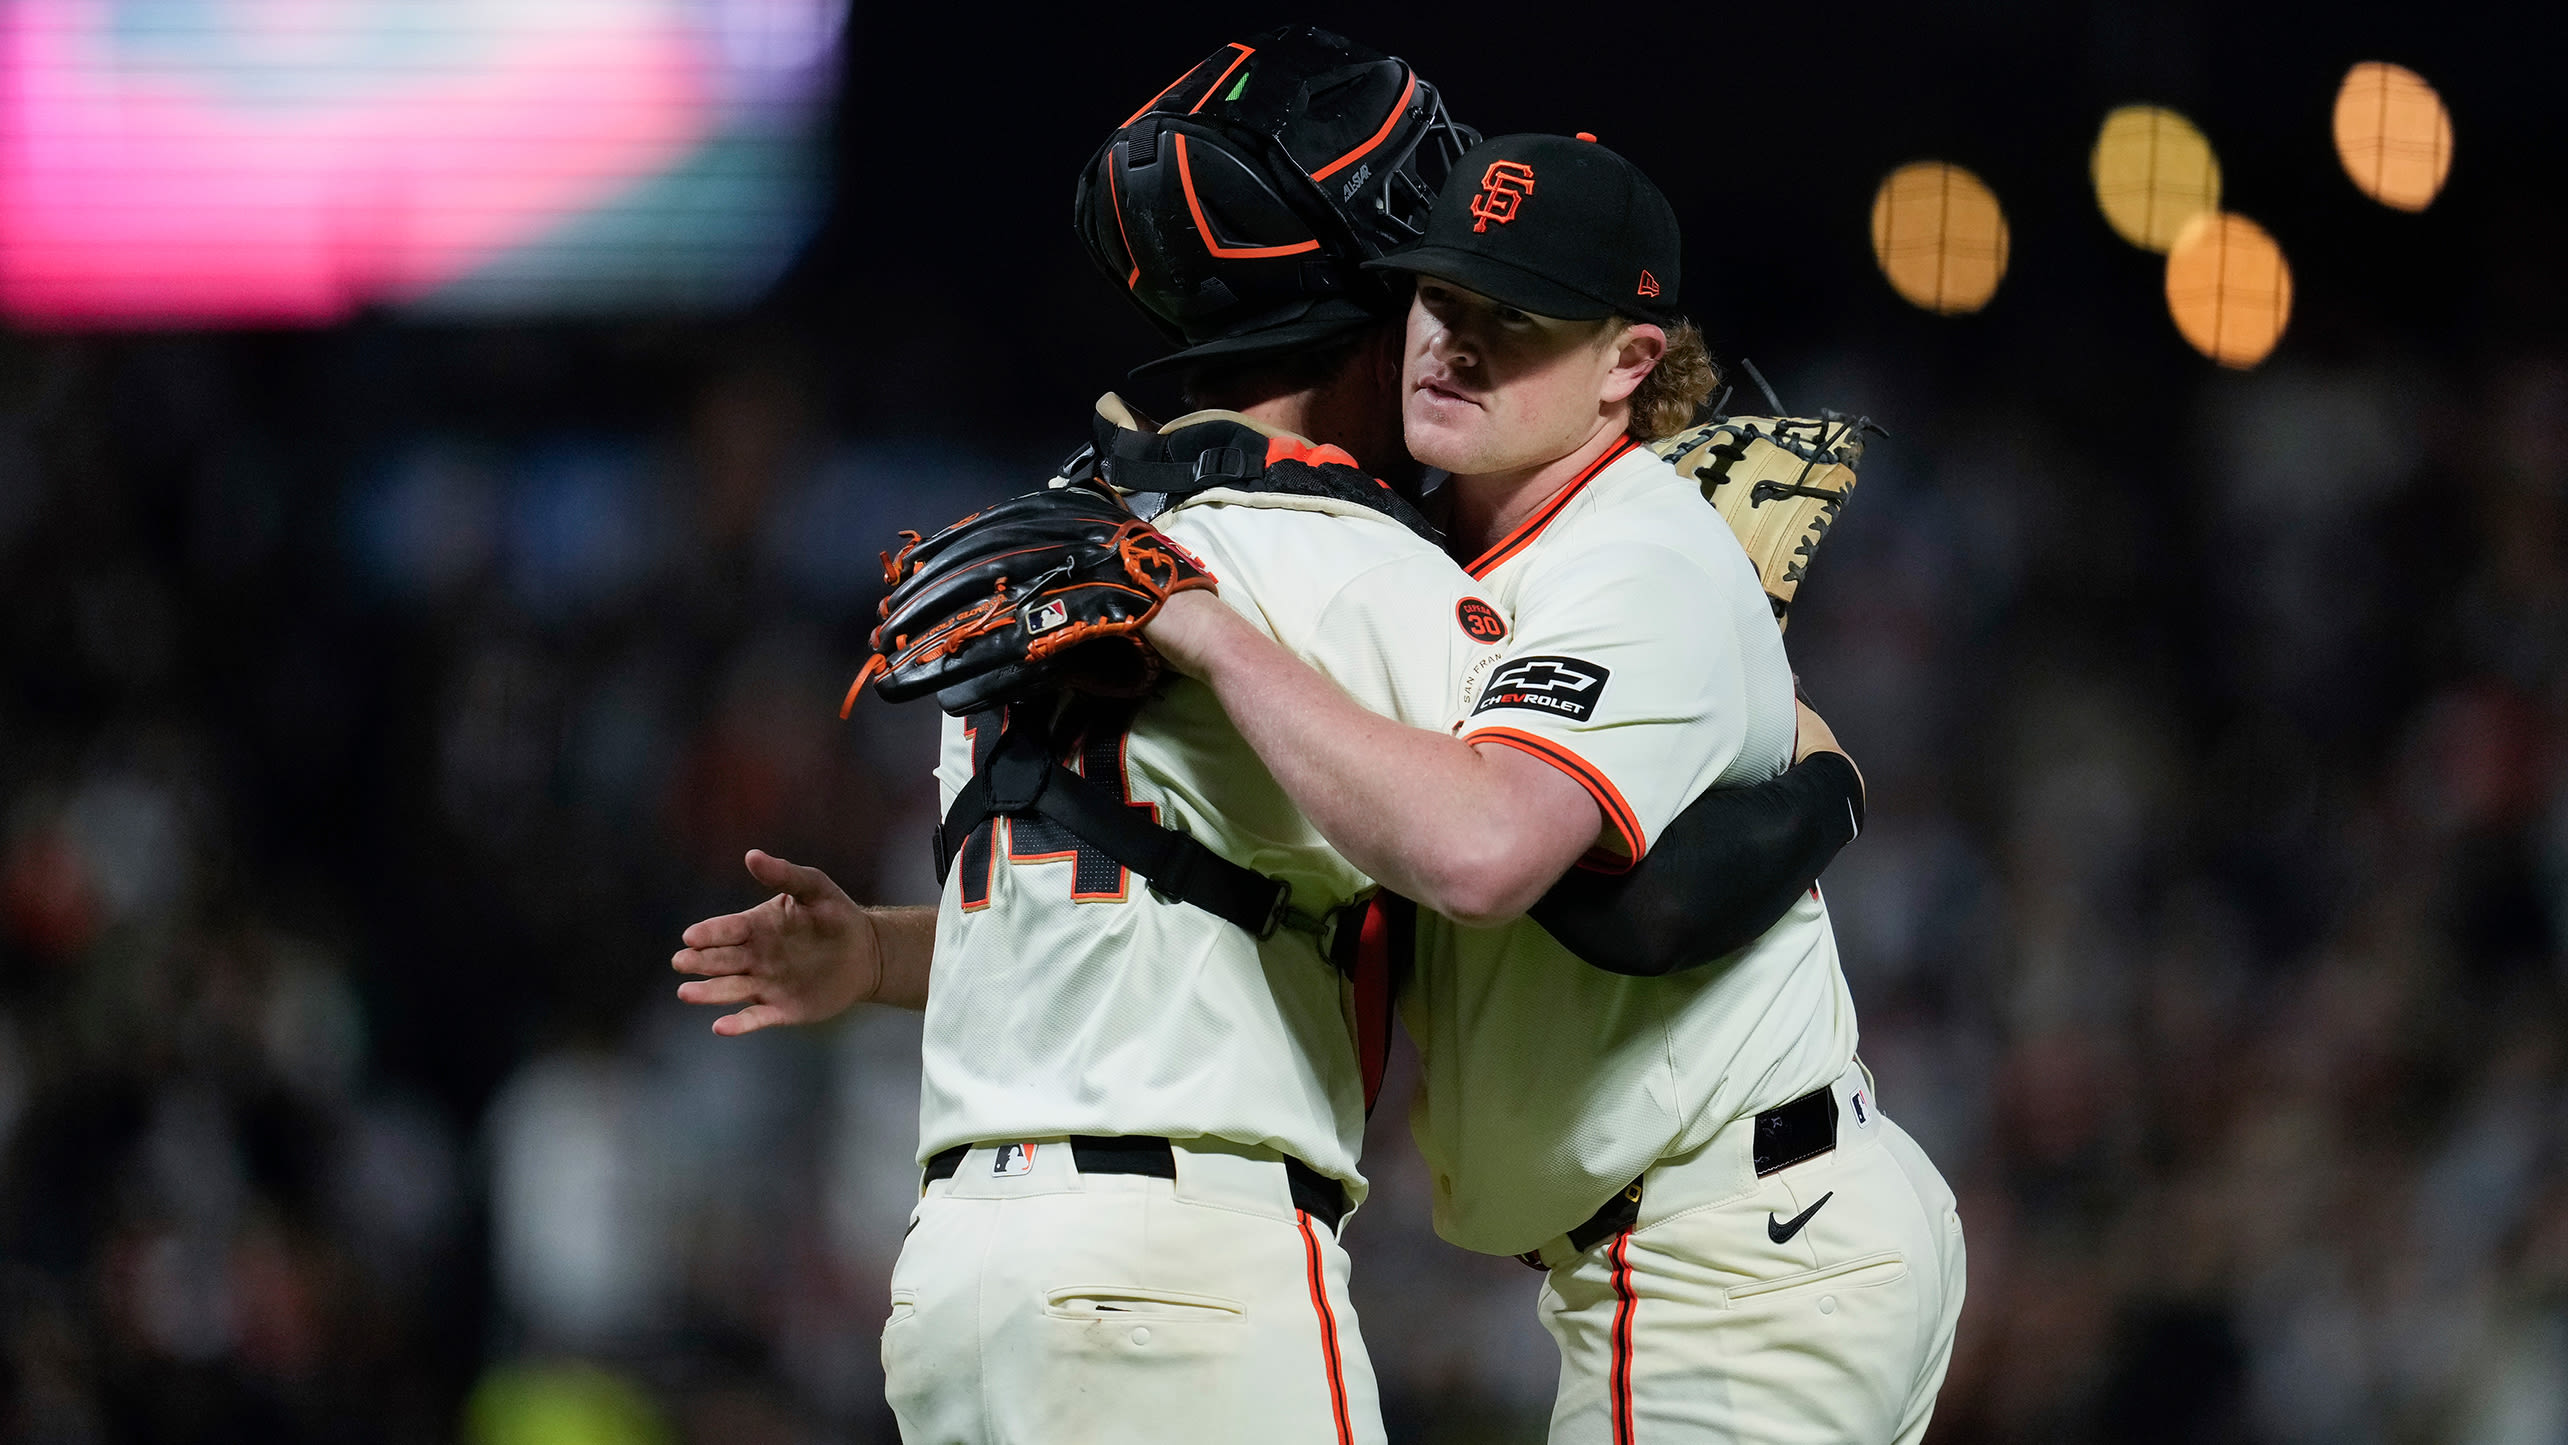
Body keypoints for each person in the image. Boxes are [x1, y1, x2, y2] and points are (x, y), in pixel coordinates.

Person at [672, 32, 1869, 1444]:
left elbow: (1148, 899)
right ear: (1380, 312)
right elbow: (1586, 876)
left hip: (960, 1286)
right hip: (1186, 1281)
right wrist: (1811, 750)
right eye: (1434, 297)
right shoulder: (1360, 574)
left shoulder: (1048, 554)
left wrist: (876, 952)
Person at [1141, 132, 1965, 1444]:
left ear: (1628, 363)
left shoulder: (1623, 559)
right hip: (1734, 1243)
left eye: (1511, 320)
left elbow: (1486, 858)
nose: (1453, 342)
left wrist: (1196, 625)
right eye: (1439, 296)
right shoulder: (1460, 550)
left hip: (1735, 1256)